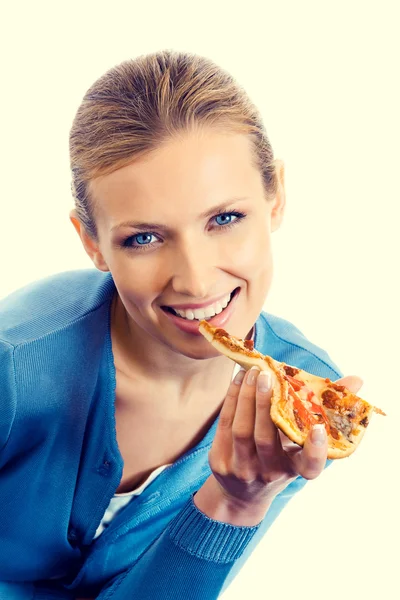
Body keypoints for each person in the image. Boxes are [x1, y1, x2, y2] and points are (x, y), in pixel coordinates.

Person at [0, 49, 362, 600]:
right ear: (92, 242)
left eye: (225, 219)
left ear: (276, 197)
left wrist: (237, 503)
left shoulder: (304, 399)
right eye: (143, 238)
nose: (194, 282)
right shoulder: (15, 364)